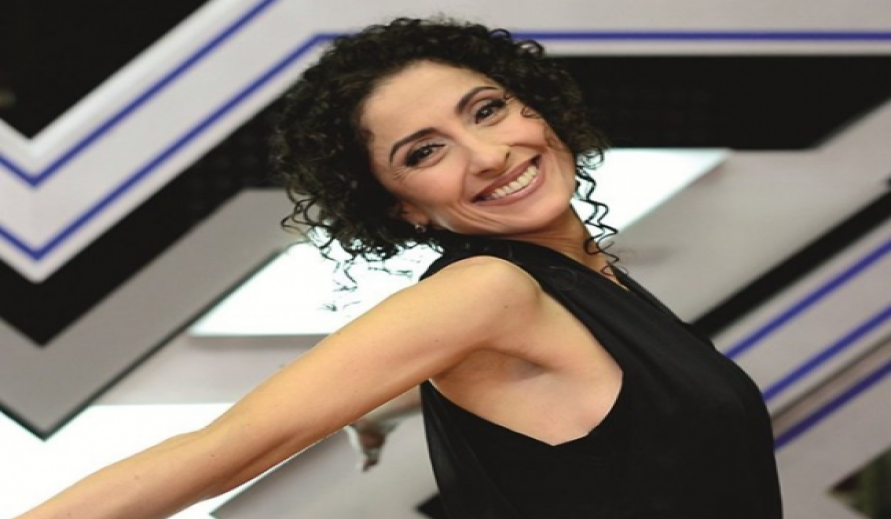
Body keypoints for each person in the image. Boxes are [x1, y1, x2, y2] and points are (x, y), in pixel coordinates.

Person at [14, 17, 782, 519]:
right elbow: (221, 451)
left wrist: (375, 408)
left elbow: (586, 411)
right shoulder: (486, 291)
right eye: (425, 152)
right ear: (402, 207)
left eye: (487, 109)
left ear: (536, 106)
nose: (489, 154)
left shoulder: (581, 284)